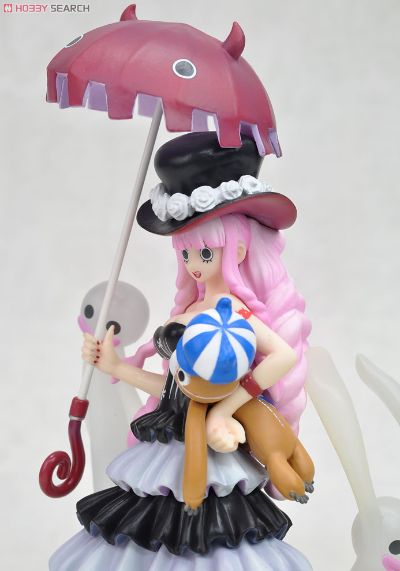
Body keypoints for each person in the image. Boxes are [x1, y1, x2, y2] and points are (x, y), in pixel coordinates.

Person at [49, 132, 313, 570]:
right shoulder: (191, 308)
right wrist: (116, 365)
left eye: (204, 253)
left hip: (214, 447)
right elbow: (174, 388)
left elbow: (283, 356)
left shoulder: (236, 313)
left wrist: (228, 406)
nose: (193, 265)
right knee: (150, 530)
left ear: (238, 249)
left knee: (211, 535)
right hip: (170, 438)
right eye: (186, 253)